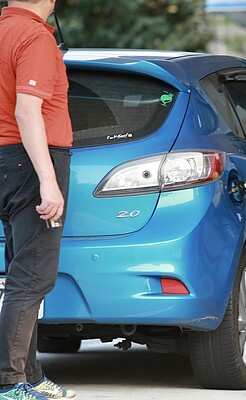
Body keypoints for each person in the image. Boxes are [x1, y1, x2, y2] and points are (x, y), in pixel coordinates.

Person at [0, 1, 76, 399]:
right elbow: (27, 111)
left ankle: (30, 377)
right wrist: (48, 180)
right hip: (30, 161)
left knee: (20, 274)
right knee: (31, 278)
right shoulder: (33, 37)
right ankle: (11, 383)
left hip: (5, 162)